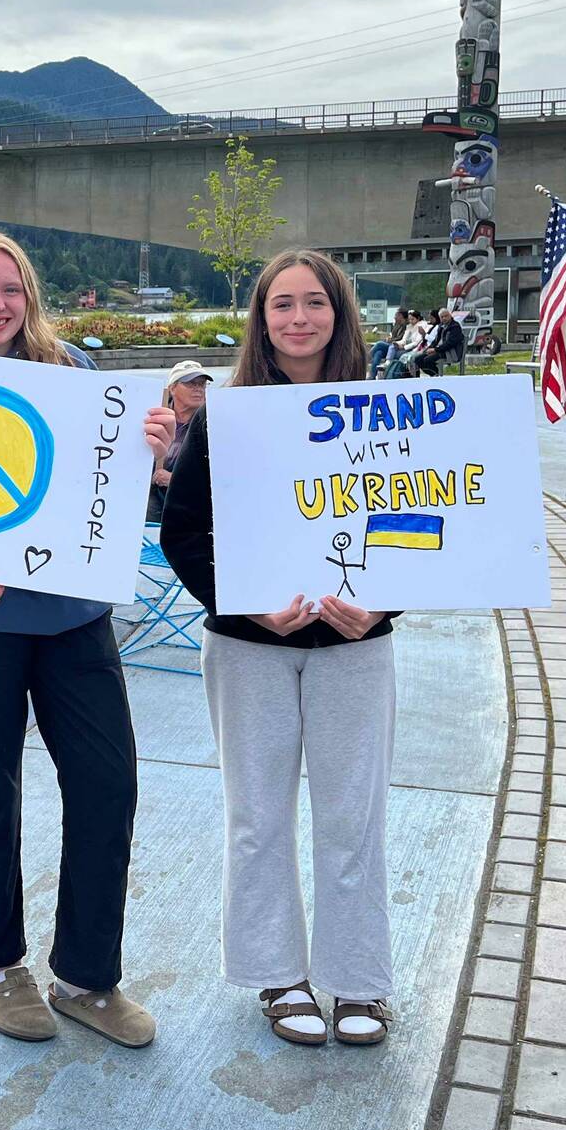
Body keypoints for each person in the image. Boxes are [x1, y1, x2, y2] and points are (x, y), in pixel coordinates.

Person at [0, 229, 172, 1051]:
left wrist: (152, 450)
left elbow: (112, 482)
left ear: (30, 295)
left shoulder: (76, 375)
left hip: (73, 618)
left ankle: (88, 975)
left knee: (107, 782)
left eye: (10, 289)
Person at [159, 248, 400, 1049]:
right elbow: (183, 533)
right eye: (281, 305)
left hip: (355, 646)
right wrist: (252, 606)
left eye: (315, 303)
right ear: (261, 321)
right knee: (258, 816)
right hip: (248, 649)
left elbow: (426, 532)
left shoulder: (387, 411)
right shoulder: (226, 416)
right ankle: (277, 973)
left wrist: (387, 602)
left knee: (352, 817)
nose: (298, 319)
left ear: (341, 313)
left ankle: (358, 979)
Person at [145, 360, 211, 524]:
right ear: (172, 388)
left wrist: (174, 480)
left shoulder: (212, 424)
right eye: (190, 383)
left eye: (202, 384)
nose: (198, 389)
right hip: (151, 496)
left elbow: (217, 480)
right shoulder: (150, 416)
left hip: (190, 502)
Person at [380, 310, 425, 379]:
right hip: (405, 347)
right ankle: (388, 365)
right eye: (409, 319)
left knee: (388, 351)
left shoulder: (420, 326)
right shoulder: (409, 327)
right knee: (390, 347)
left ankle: (391, 368)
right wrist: (398, 343)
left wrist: (404, 347)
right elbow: (404, 339)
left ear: (418, 318)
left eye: (412, 319)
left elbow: (416, 342)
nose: (410, 321)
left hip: (412, 349)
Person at [367, 310, 406, 377]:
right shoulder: (396, 325)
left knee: (379, 344)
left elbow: (401, 338)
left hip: (396, 346)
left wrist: (391, 340)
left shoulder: (405, 326)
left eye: (396, 315)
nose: (394, 317)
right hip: (390, 345)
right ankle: (372, 376)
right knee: (378, 353)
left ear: (401, 316)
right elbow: (392, 336)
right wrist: (389, 338)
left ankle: (367, 357)